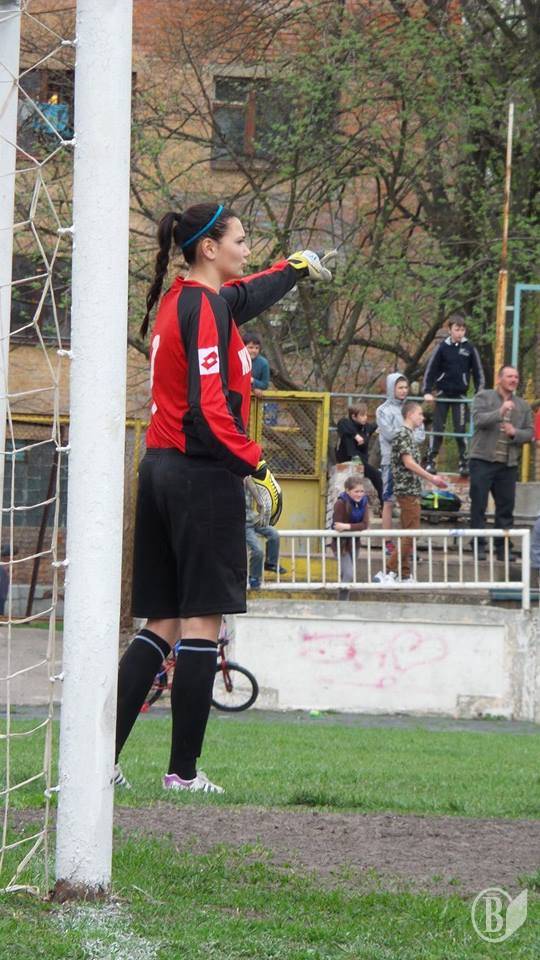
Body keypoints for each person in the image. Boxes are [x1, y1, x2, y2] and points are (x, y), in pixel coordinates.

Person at [114, 202, 332, 794]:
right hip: (199, 473)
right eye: (240, 239)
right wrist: (254, 464)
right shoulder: (206, 307)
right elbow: (210, 405)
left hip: (161, 468)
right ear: (209, 248)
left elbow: (246, 294)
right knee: (201, 623)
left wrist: (292, 269)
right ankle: (182, 774)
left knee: (162, 622)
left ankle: (98, 762)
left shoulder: (186, 300)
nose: (247, 248)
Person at [374, 401, 447, 583]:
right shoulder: (403, 435)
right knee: (411, 532)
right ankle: (388, 571)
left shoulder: (409, 435)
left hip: (411, 490)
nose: (422, 417)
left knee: (407, 532)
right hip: (407, 490)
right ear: (410, 414)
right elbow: (409, 463)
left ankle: (404, 574)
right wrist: (431, 478)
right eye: (419, 414)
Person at [469, 366, 533, 561]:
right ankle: (478, 545)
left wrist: (515, 433)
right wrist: (500, 411)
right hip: (482, 460)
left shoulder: (523, 405)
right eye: (509, 376)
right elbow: (478, 420)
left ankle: (503, 547)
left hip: (508, 463)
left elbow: (530, 433)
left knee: (506, 508)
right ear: (499, 379)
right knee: (478, 505)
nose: (514, 380)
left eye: (516, 377)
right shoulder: (484, 397)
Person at [423, 315, 484, 477]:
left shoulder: (469, 348)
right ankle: (431, 461)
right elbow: (431, 369)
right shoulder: (442, 347)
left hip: (460, 396)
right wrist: (427, 391)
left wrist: (479, 392)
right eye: (457, 329)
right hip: (442, 394)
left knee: (460, 429)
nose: (460, 333)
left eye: (462, 330)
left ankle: (464, 462)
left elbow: (478, 371)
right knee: (438, 428)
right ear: (450, 330)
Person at [376, 373, 425, 549]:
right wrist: (407, 431)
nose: (404, 391)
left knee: (409, 503)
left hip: (411, 461)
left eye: (405, 387)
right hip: (391, 461)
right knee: (389, 501)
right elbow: (389, 435)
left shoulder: (412, 408)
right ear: (392, 388)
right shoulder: (383, 410)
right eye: (400, 387)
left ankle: (407, 546)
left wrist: (405, 433)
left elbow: (421, 436)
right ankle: (387, 543)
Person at [335, 403, 383, 507]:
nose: (365, 417)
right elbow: (341, 422)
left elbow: (377, 423)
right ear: (354, 416)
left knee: (378, 476)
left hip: (362, 461)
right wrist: (355, 435)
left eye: (366, 415)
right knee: (347, 435)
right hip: (348, 458)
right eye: (362, 415)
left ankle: (383, 505)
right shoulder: (346, 424)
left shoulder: (366, 428)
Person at [245, 480, 286, 590]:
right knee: (258, 550)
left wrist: (260, 503)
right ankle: (254, 577)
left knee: (274, 534)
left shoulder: (248, 480)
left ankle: (271, 563)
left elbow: (253, 487)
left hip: (253, 518)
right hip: (243, 523)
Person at [332, 475, 370, 585]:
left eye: (362, 491)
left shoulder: (364, 503)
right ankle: (342, 596)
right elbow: (337, 526)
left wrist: (347, 526)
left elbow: (365, 524)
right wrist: (347, 527)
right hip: (341, 544)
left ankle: (342, 595)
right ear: (348, 491)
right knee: (348, 574)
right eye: (356, 491)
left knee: (345, 574)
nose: (359, 494)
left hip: (355, 543)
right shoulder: (340, 503)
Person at [242, 331, 270, 398]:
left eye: (257, 348)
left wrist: (252, 381)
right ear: (243, 347)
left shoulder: (263, 363)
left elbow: (265, 384)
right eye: (251, 347)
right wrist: (252, 388)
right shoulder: (238, 360)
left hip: (254, 399)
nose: (254, 350)